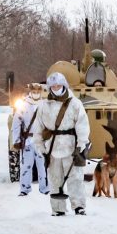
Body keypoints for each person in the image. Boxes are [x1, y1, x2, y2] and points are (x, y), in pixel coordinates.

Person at [34, 72, 90, 217]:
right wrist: (40, 147)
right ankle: (58, 208)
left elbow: (82, 124)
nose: (56, 88)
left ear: (64, 85)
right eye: (53, 86)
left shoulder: (75, 103)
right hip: (52, 147)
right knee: (54, 179)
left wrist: (81, 144)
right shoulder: (43, 106)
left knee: (75, 178)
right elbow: (38, 129)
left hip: (71, 146)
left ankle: (78, 206)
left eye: (58, 85)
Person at [10, 82, 49, 197]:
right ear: (30, 92)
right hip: (28, 140)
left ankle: (45, 188)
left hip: (41, 140)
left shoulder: (45, 104)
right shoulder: (23, 105)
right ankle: (24, 188)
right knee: (26, 166)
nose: (36, 94)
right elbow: (16, 123)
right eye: (34, 92)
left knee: (42, 166)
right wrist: (16, 140)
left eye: (38, 92)